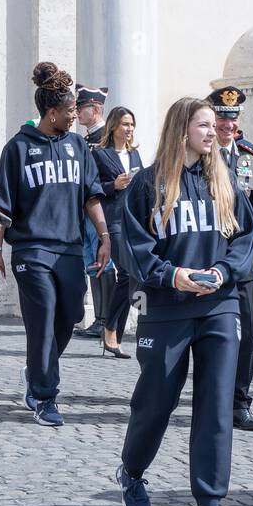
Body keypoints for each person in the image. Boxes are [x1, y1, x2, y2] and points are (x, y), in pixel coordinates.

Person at [114, 97, 253, 506]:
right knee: (156, 402)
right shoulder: (147, 184)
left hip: (219, 306)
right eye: (204, 125)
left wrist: (223, 272)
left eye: (215, 125)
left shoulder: (225, 178)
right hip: (167, 308)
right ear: (181, 130)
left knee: (215, 407)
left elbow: (245, 238)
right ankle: (132, 472)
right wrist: (172, 275)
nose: (213, 132)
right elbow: (133, 249)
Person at [0, 64, 111, 427]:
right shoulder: (18, 148)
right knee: (41, 321)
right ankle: (44, 396)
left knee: (70, 316)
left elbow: (91, 196)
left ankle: (37, 369)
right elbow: (0, 207)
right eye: (71, 111)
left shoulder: (77, 147)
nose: (75, 116)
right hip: (31, 250)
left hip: (70, 248)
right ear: (51, 112)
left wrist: (105, 237)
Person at [207, 86, 253, 432]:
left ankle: (239, 402)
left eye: (232, 118)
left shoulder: (250, 156)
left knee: (250, 324)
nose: (227, 124)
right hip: (209, 251)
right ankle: (211, 396)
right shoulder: (199, 154)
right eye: (221, 117)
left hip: (246, 254)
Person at [92, 106, 144, 358]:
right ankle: (111, 329)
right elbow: (92, 189)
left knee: (130, 275)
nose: (129, 128)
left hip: (134, 220)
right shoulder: (101, 155)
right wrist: (113, 185)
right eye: (125, 124)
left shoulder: (135, 154)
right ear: (113, 126)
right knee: (127, 273)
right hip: (112, 219)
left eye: (132, 124)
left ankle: (112, 330)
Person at [75, 84, 110, 338]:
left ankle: (105, 319)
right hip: (87, 210)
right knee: (92, 263)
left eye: (81, 107)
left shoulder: (105, 138)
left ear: (95, 109)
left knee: (103, 263)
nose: (77, 112)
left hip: (102, 210)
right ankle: (99, 317)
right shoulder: (88, 139)